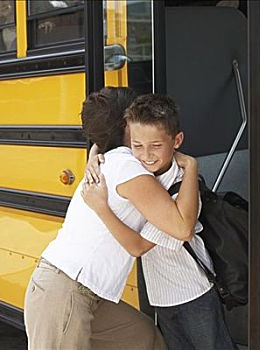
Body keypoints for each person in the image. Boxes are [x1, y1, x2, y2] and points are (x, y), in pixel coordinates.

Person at [23, 87, 196, 350]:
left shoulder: (111, 159)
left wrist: (93, 153)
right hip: (65, 290)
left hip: (88, 294)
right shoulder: (128, 167)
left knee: (144, 339)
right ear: (127, 124)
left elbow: (105, 147)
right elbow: (183, 228)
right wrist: (192, 165)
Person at [82, 94, 237, 350]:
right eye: (137, 146)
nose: (146, 155)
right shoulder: (137, 174)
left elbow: (140, 245)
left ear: (177, 141)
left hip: (193, 293)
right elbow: (107, 146)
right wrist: (93, 154)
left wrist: (100, 207)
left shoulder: (181, 190)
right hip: (162, 296)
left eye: (156, 146)